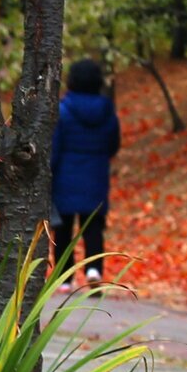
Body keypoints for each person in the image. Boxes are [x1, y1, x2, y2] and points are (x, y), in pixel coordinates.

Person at [49, 58, 121, 287]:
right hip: (96, 174)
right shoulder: (108, 111)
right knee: (94, 225)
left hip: (64, 178)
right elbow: (113, 143)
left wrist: (49, 171)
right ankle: (93, 270)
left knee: (63, 229)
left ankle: (65, 278)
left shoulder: (62, 110)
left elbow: (55, 146)